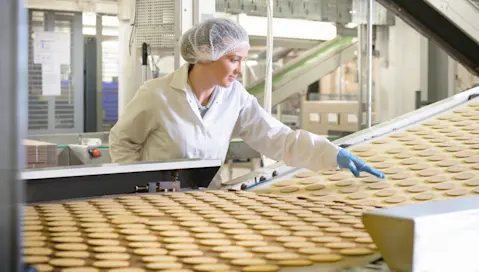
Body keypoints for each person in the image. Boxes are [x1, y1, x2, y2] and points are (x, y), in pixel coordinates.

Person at [109, 18, 384, 188]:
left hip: (205, 201)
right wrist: (135, 186)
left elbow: (278, 139)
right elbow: (122, 141)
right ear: (206, 55)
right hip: (153, 203)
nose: (240, 69)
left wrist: (331, 153)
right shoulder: (157, 94)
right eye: (234, 60)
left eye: (243, 60)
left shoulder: (234, 96)